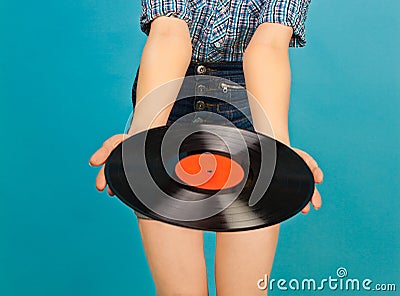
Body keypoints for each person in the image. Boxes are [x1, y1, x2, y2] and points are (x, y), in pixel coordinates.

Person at [89, 0, 324, 294]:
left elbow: (268, 46)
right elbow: (168, 32)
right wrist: (143, 144)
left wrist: (277, 154)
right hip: (169, 98)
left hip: (248, 105)